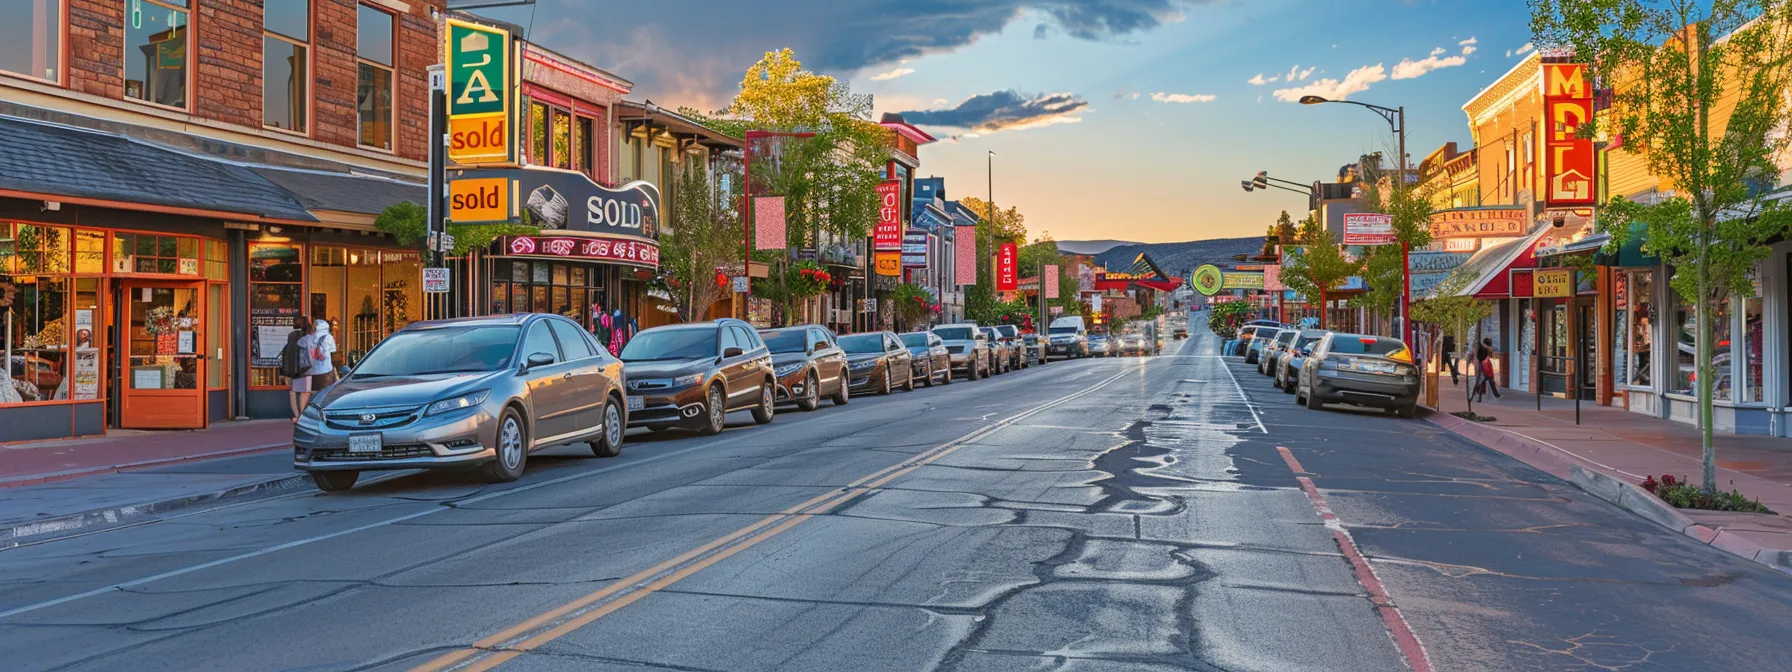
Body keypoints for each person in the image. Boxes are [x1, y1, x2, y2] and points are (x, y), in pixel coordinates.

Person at [287, 315, 313, 423]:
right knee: (305, 391)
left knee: (293, 391)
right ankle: (302, 415)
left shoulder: (291, 335)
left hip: (293, 366)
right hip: (305, 367)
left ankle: (296, 415)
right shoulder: (308, 336)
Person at [309, 319, 339, 391]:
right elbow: (333, 350)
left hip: (312, 370)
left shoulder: (310, 337)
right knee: (324, 393)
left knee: (313, 392)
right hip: (325, 370)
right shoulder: (328, 337)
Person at [1474, 337, 1501, 401]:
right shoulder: (1482, 348)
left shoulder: (1485, 348)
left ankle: (1478, 392)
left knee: (1485, 381)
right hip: (1484, 366)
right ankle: (1495, 394)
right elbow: (1480, 358)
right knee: (1488, 380)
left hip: (1486, 365)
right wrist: (1485, 359)